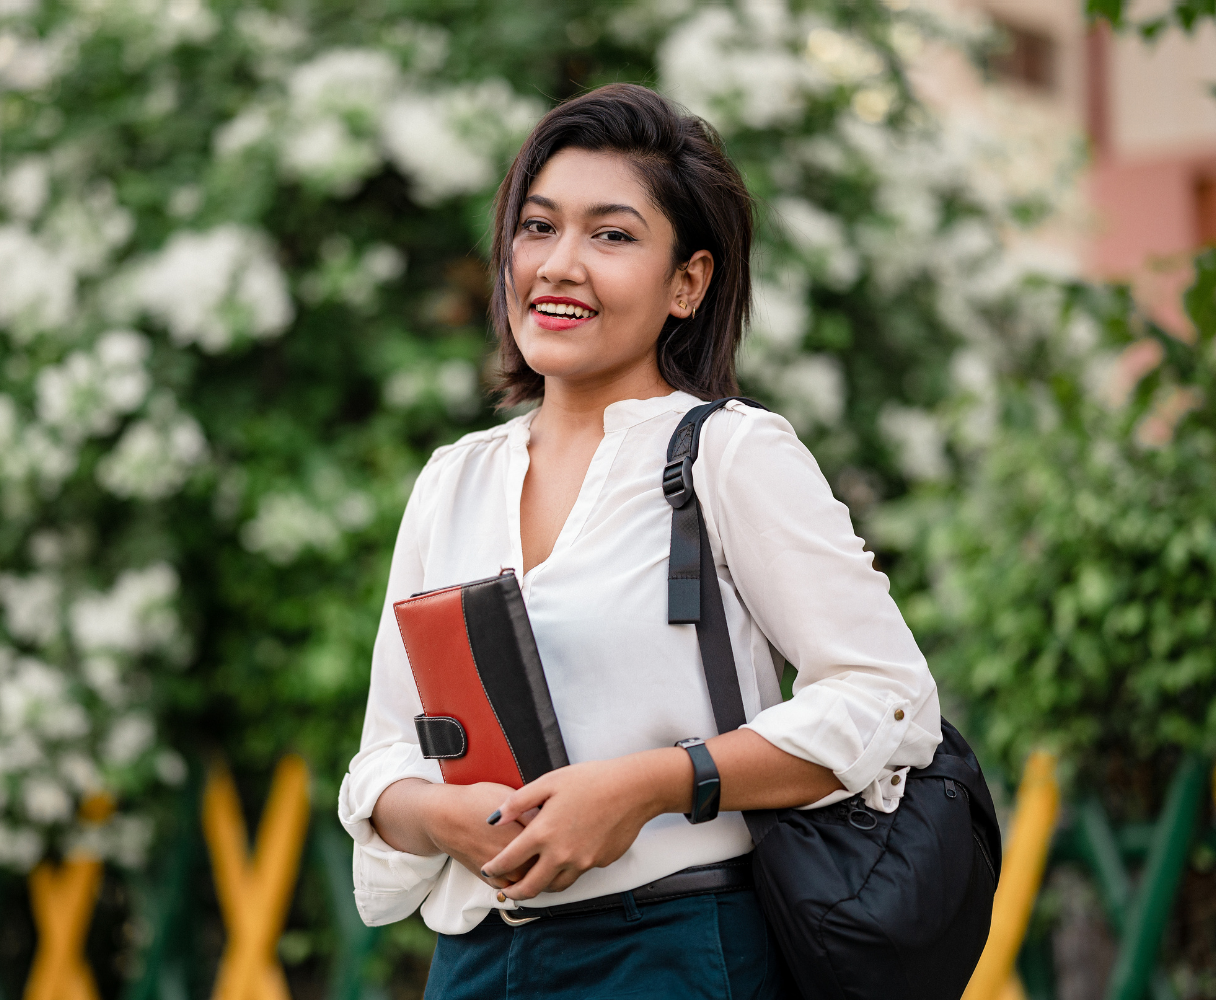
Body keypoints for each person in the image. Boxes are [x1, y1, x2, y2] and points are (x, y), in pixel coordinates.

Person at [337, 83, 940, 999]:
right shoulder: (453, 480)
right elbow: (385, 756)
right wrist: (445, 816)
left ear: (687, 282)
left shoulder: (730, 456)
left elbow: (887, 699)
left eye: (611, 236)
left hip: (672, 951)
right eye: (537, 228)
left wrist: (655, 785)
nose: (559, 265)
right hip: (475, 966)